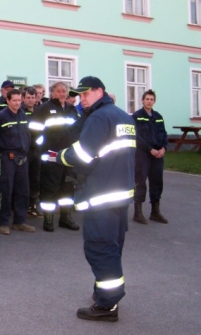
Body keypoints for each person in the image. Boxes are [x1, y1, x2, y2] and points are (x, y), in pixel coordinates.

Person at [54, 76, 136, 322]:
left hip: (101, 193)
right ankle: (104, 293)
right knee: (112, 247)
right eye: (80, 95)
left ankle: (107, 305)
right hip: (120, 193)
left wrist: (59, 156)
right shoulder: (123, 116)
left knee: (100, 247)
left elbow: (83, 155)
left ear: (100, 91)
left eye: (86, 93)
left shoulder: (99, 118)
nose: (82, 99)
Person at [0, 88, 35, 235]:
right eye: (14, 100)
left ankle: (19, 221)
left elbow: (28, 135)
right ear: (7, 100)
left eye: (19, 100)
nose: (17, 103)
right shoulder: (1, 117)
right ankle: (4, 223)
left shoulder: (24, 115)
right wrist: (3, 153)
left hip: (23, 158)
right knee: (6, 190)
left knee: (23, 191)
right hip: (7, 158)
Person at [33, 81, 80, 232]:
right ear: (52, 93)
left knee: (67, 188)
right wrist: (43, 149)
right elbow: (34, 131)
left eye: (63, 91)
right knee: (50, 188)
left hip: (68, 156)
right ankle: (48, 219)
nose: (61, 94)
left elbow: (77, 131)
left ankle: (65, 217)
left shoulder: (71, 109)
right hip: (51, 155)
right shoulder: (44, 109)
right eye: (58, 91)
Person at [132, 89, 168, 224]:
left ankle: (155, 212)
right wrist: (150, 149)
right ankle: (138, 213)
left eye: (151, 99)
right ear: (142, 100)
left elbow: (164, 134)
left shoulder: (158, 116)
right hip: (143, 154)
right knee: (140, 181)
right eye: (147, 99)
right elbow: (136, 137)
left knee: (157, 182)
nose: (149, 101)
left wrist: (163, 148)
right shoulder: (137, 116)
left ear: (154, 101)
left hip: (157, 155)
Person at [21, 86, 42, 217]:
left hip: (37, 150)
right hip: (25, 150)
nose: (30, 100)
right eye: (28, 97)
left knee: (35, 178)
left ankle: (32, 205)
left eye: (32, 97)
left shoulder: (40, 112)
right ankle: (21, 205)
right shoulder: (20, 112)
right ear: (23, 98)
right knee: (23, 179)